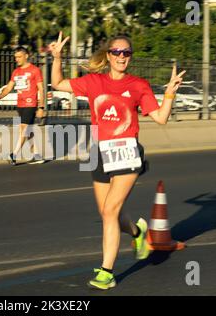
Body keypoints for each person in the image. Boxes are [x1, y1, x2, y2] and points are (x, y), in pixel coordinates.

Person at [49, 32, 185, 290]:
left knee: (111, 210)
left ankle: (106, 272)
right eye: (117, 52)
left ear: (130, 57)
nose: (122, 57)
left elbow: (160, 118)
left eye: (126, 53)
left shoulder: (138, 85)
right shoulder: (93, 82)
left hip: (127, 152)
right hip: (100, 152)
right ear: (109, 55)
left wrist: (169, 94)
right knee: (107, 213)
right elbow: (57, 84)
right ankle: (138, 233)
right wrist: (56, 58)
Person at [0, 46, 46, 165]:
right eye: (15, 57)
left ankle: (14, 154)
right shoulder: (16, 72)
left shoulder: (35, 70)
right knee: (28, 130)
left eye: (19, 57)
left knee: (24, 129)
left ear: (26, 56)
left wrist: (41, 107)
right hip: (20, 105)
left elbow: (41, 90)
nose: (17, 59)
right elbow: (8, 87)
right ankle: (37, 155)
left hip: (30, 104)